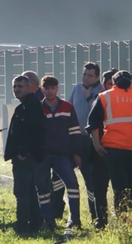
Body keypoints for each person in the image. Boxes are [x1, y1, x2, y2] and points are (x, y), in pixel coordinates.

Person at [50, 62, 102, 224]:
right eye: (84, 74)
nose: (86, 78)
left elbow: (96, 115)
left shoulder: (101, 92)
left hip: (90, 140)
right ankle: (56, 212)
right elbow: (69, 109)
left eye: (90, 75)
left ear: (97, 77)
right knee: (58, 176)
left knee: (90, 179)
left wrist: (88, 97)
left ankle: (95, 216)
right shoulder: (77, 88)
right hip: (73, 139)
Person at [87, 70, 132, 215]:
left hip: (113, 149)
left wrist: (97, 145)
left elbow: (93, 123)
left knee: (120, 186)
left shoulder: (104, 96)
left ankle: (123, 220)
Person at [36, 76, 83, 231]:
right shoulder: (38, 108)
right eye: (47, 88)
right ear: (42, 89)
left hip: (62, 154)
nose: (50, 91)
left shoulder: (68, 107)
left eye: (53, 88)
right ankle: (49, 221)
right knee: (43, 188)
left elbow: (75, 132)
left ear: (58, 88)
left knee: (72, 184)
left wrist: (76, 153)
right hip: (43, 155)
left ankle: (74, 220)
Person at [4, 75, 45, 234]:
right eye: (15, 86)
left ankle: (23, 224)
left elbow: (32, 132)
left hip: (26, 156)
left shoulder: (31, 106)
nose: (17, 90)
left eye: (20, 86)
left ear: (29, 87)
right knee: (28, 190)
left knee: (21, 190)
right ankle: (35, 221)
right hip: (27, 155)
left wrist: (22, 152)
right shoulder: (24, 106)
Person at [91, 68, 118, 228]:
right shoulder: (99, 99)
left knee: (121, 187)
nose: (114, 88)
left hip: (121, 149)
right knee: (99, 188)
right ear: (104, 84)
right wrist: (96, 145)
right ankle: (101, 220)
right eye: (110, 84)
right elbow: (92, 125)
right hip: (101, 149)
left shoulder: (131, 100)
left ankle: (122, 220)